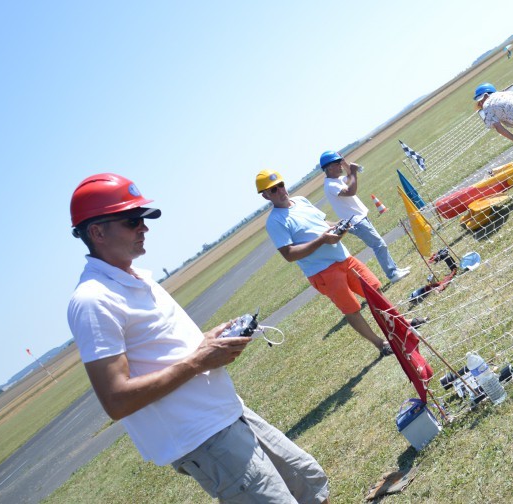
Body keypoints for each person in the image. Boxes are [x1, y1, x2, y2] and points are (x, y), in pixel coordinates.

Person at [66, 173, 330, 503]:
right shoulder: (93, 300)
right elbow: (116, 400)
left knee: (310, 483)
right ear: (97, 232)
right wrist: (198, 361)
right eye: (133, 221)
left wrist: (209, 339)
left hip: (230, 412)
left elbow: (161, 351)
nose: (144, 228)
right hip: (203, 437)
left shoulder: (136, 279)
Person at [256, 169, 401, 356]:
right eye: (273, 190)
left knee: (375, 291)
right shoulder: (274, 222)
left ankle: (399, 327)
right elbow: (289, 254)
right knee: (352, 309)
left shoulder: (301, 201)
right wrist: (322, 240)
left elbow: (324, 223)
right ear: (266, 195)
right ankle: (381, 344)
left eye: (280, 185)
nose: (280, 190)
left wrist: (339, 226)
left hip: (344, 258)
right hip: (323, 272)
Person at [318, 151, 410, 284]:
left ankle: (394, 269)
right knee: (379, 245)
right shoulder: (331, 185)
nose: (340, 166)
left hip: (360, 218)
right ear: (329, 167)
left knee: (379, 244)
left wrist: (345, 163)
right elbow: (351, 191)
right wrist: (354, 172)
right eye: (337, 164)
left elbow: (350, 176)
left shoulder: (336, 180)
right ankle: (392, 274)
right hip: (356, 222)